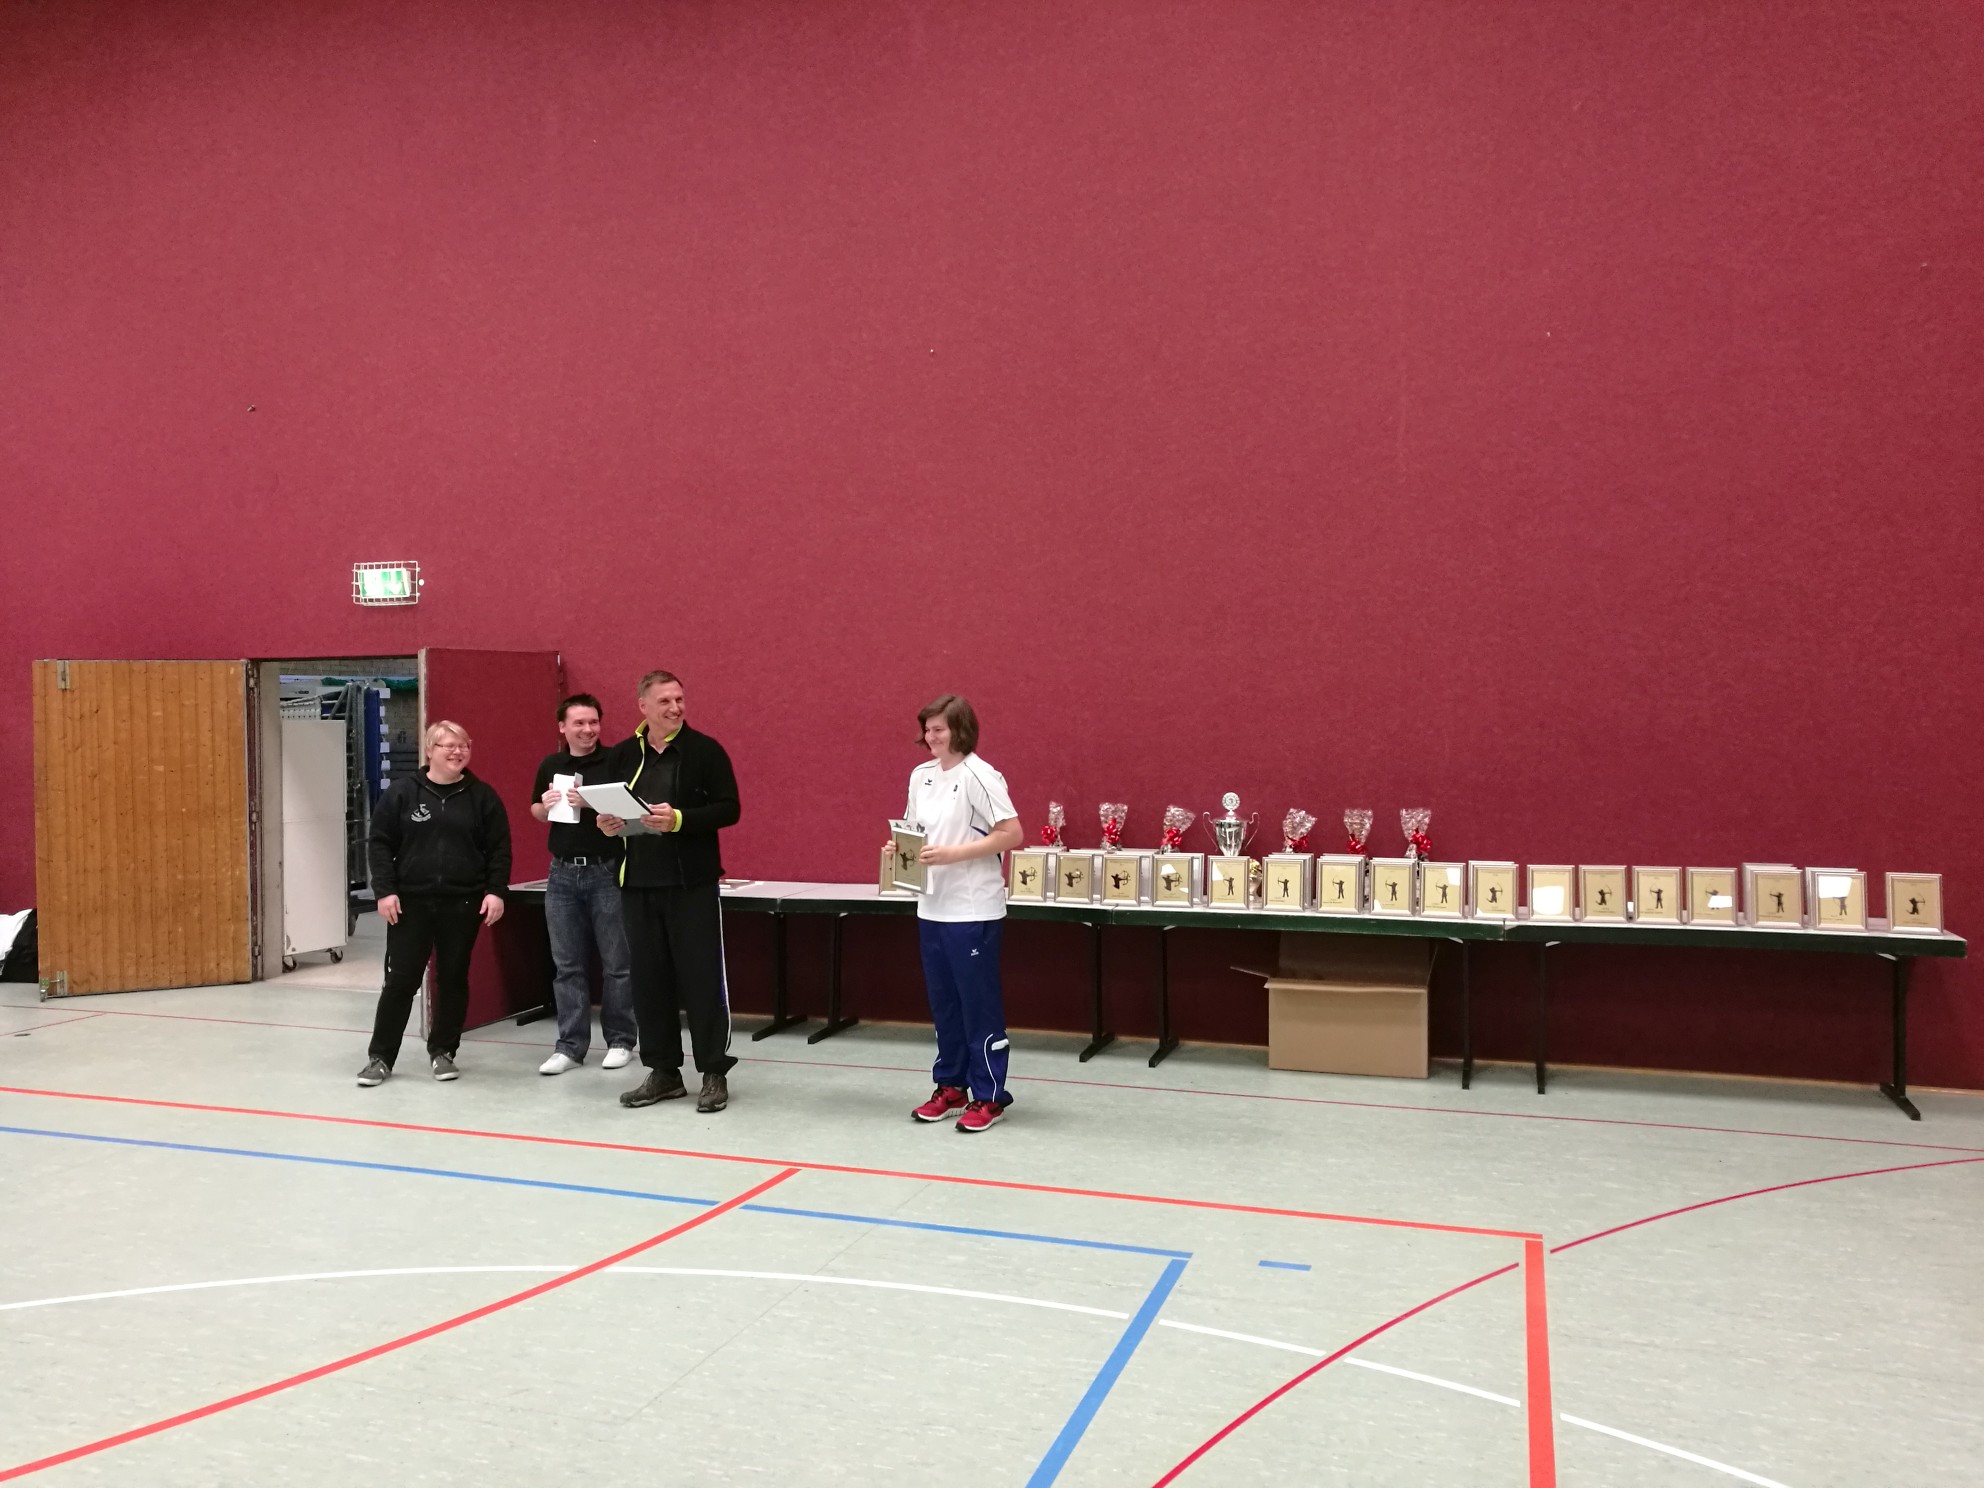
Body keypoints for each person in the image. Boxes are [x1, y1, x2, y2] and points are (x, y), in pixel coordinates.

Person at [596, 670, 741, 1114]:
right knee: (648, 982)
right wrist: (607, 825)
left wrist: (679, 819)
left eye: (679, 699)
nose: (675, 707)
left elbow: (729, 809)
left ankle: (713, 1071)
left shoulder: (705, 751)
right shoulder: (623, 755)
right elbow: (612, 811)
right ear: (643, 706)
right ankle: (663, 1072)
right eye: (665, 701)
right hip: (637, 884)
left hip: (690, 885)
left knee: (701, 980)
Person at [357, 721, 512, 1086]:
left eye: (464, 746)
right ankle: (380, 1057)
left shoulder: (482, 797)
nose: (458, 752)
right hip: (410, 904)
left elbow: (499, 849)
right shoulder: (402, 793)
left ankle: (443, 1051)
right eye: (448, 746)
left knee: (453, 979)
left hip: (463, 903)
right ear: (430, 750)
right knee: (401, 981)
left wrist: (495, 891)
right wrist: (385, 890)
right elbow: (380, 844)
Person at [898, 694, 1023, 1133]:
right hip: (931, 906)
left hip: (972, 908)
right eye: (927, 729)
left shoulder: (979, 775)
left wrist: (953, 854)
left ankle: (990, 1095)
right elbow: (914, 833)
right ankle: (951, 1085)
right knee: (944, 1004)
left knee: (977, 1004)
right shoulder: (921, 776)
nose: (931, 736)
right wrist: (898, 850)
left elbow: (1011, 833)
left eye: (939, 729)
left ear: (960, 730)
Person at [529, 693, 636, 1075]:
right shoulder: (552, 764)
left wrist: (588, 802)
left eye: (593, 722)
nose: (588, 729)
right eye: (579, 723)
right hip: (561, 874)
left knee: (617, 963)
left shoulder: (615, 760)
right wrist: (545, 804)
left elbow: (632, 810)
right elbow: (536, 811)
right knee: (567, 965)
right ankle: (570, 1046)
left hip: (605, 870)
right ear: (563, 727)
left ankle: (621, 1040)